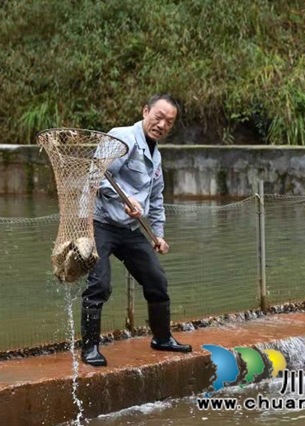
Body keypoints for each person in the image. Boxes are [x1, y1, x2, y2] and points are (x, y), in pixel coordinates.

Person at [81, 94, 192, 367]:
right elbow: (95, 176)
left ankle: (162, 338)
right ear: (145, 111)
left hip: (130, 228)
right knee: (100, 284)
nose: (162, 124)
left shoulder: (156, 156)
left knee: (156, 279)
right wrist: (124, 198)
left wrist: (158, 234)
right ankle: (90, 348)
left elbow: (156, 199)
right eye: (158, 117)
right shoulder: (121, 138)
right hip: (100, 222)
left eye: (169, 121)